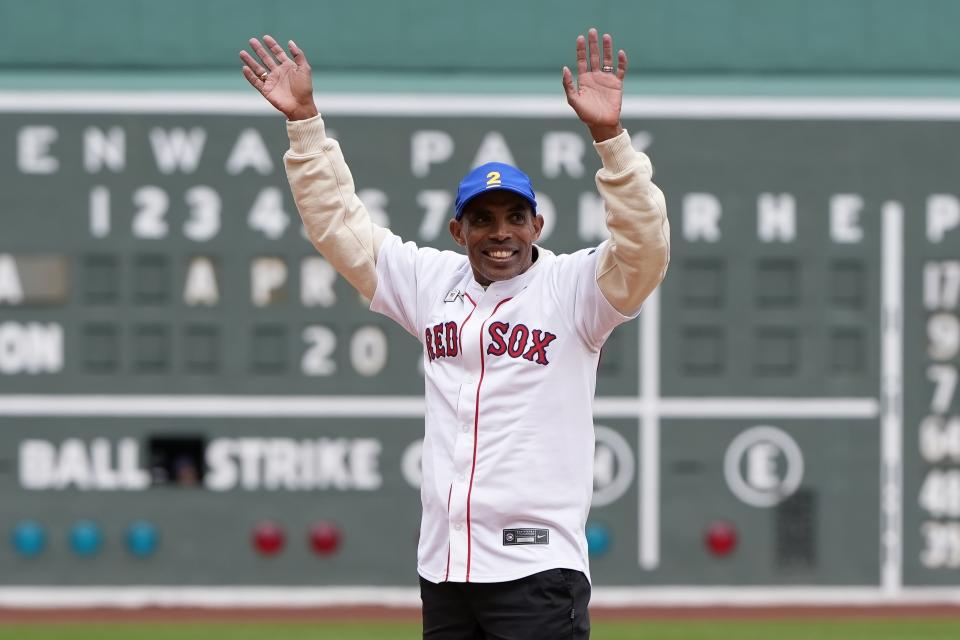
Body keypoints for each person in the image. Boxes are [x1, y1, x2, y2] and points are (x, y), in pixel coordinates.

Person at [241, 27, 669, 640]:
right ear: (457, 231)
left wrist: (610, 141)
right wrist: (306, 123)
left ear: (537, 224)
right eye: (484, 220)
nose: (502, 232)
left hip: (536, 568)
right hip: (445, 570)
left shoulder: (576, 290)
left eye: (515, 218)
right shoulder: (430, 282)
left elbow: (646, 249)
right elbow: (339, 226)